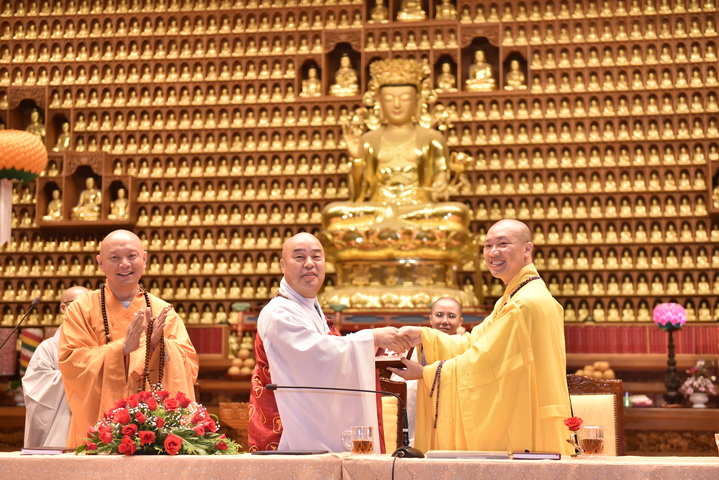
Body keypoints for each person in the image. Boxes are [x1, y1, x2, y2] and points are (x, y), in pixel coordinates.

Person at [390, 219, 572, 454]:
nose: (493, 252)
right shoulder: (515, 296)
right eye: (487, 246)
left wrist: (425, 373)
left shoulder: (523, 303)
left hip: (523, 418)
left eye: (503, 244)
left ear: (527, 249)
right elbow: (474, 341)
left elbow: (483, 362)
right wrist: (425, 336)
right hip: (524, 409)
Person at [248, 232, 410, 452]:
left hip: (308, 422)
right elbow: (316, 357)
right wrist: (371, 339)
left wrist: (372, 346)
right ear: (283, 265)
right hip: (285, 426)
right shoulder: (279, 312)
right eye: (299, 257)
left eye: (316, 257)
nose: (309, 263)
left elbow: (330, 355)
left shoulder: (308, 308)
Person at [59, 230, 199, 448]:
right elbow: (71, 361)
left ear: (144, 259)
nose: (124, 264)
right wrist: (121, 348)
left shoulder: (163, 311)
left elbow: (189, 364)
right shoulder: (80, 310)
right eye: (115, 257)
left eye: (132, 256)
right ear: (100, 263)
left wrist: (159, 346)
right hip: (98, 423)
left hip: (154, 431)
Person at [390, 297, 463, 446]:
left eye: (451, 316)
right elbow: (396, 388)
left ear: (460, 321)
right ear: (430, 319)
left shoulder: (465, 347)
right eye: (439, 315)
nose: (444, 321)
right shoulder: (415, 346)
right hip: (416, 420)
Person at [22, 286, 89, 448]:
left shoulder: (102, 343)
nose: (86, 309)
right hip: (60, 428)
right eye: (79, 303)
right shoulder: (48, 348)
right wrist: (85, 374)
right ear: (63, 308)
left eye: (90, 304)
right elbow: (36, 388)